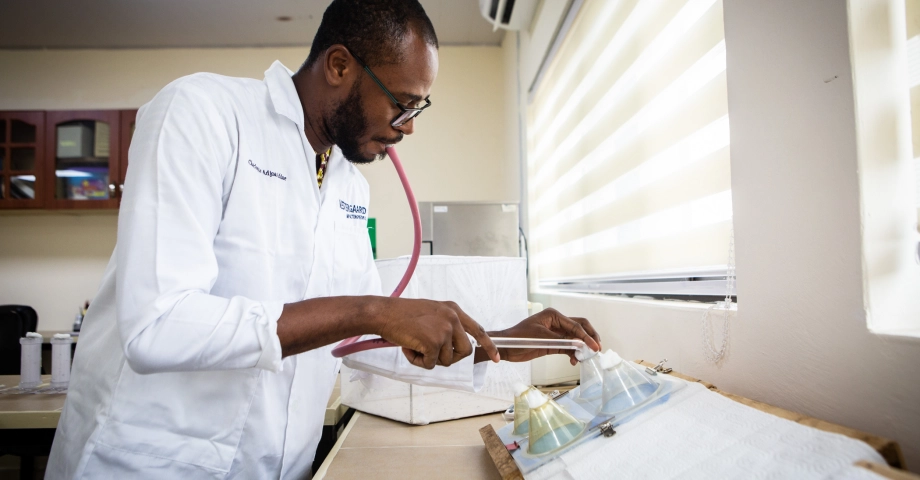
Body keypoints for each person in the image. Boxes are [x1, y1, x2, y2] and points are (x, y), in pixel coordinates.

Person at [45, 1, 601, 478]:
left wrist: (503, 340)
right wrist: (369, 309)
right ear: (339, 65)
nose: (408, 126)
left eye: (418, 108)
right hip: (147, 465)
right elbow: (157, 327)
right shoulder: (205, 114)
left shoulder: (344, 183)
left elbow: (360, 350)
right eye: (403, 103)